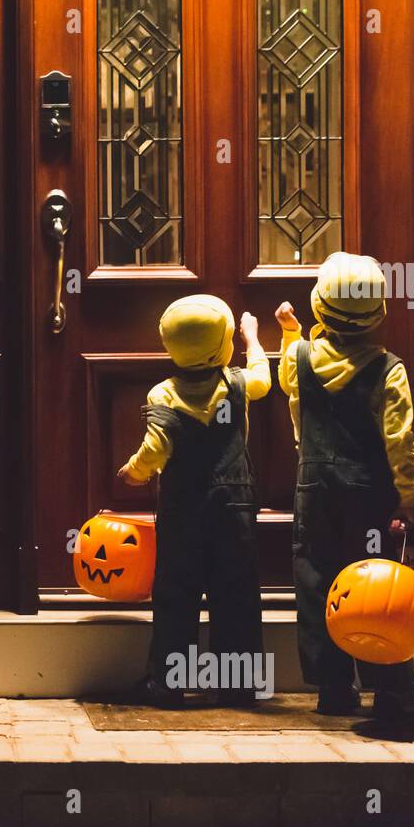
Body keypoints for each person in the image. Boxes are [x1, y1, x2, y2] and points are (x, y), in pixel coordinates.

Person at [276, 252, 414, 719]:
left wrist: (290, 332)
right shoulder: (389, 369)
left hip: (316, 489)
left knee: (319, 582)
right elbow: (399, 439)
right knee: (380, 590)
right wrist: (409, 497)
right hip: (371, 496)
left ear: (319, 309)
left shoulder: (301, 357)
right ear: (379, 315)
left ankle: (333, 687)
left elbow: (290, 381)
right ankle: (392, 691)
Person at [118, 295, 270, 707]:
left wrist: (135, 471)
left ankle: (168, 683)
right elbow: (263, 376)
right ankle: (238, 684)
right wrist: (252, 338)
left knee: (176, 593)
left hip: (184, 508)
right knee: (236, 593)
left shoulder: (163, 393)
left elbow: (156, 448)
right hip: (234, 502)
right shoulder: (238, 384)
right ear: (223, 344)